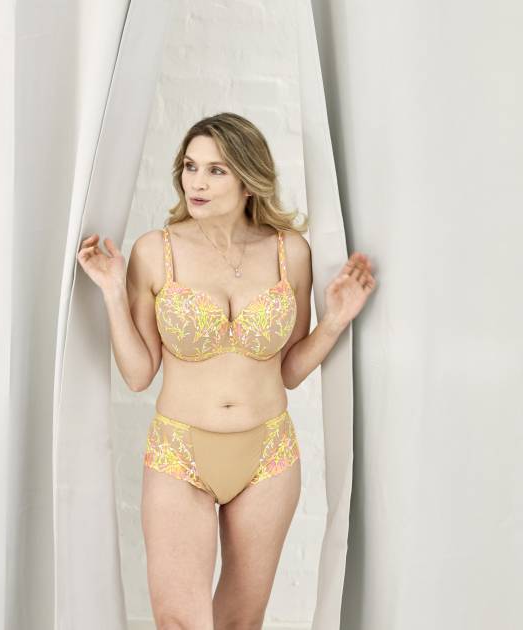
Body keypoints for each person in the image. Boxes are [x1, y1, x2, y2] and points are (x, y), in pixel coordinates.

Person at [76, 112, 376, 629]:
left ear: (248, 179)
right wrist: (112, 292)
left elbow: (289, 370)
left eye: (216, 170)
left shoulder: (290, 253)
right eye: (191, 166)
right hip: (179, 453)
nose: (197, 181)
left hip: (269, 454)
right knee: (179, 622)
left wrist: (335, 321)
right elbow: (138, 374)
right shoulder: (155, 251)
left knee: (241, 623)